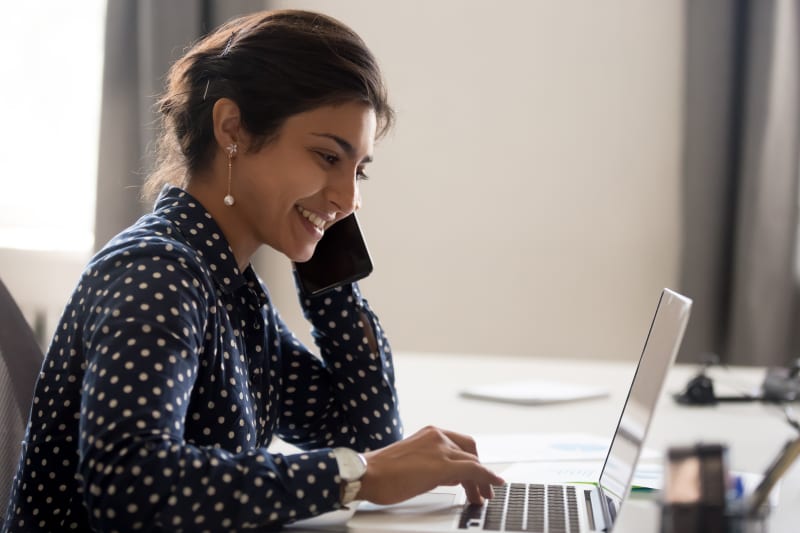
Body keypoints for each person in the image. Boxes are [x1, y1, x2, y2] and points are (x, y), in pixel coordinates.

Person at [3, 9, 503, 532]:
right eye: (327, 156)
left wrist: (329, 267)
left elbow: (367, 434)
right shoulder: (154, 274)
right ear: (231, 128)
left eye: (359, 171)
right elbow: (131, 486)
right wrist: (355, 476)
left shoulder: (231, 286)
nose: (351, 198)